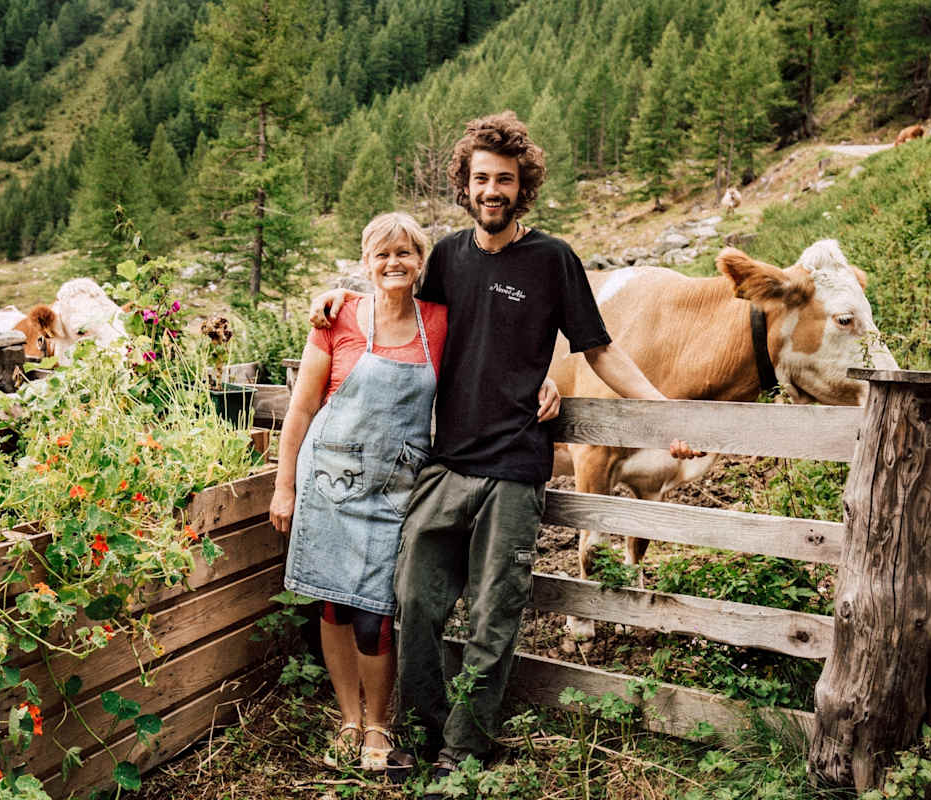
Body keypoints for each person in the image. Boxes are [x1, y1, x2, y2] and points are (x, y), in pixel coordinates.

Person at [310, 112, 696, 796]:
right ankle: (427, 729)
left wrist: (662, 410)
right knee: (414, 603)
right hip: (447, 464)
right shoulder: (449, 260)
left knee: (495, 615)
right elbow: (394, 307)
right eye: (481, 178)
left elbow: (599, 348)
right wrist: (336, 300)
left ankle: (464, 750)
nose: (493, 190)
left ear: (524, 188)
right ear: (465, 184)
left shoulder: (553, 260)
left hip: (517, 470)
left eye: (506, 180)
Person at [270, 211, 562, 773]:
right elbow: (303, 407)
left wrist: (540, 378)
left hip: (395, 490)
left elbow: (495, 359)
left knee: (376, 614)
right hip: (328, 482)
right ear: (365, 263)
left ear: (421, 261)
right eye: (382, 254)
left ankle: (378, 725)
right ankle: (347, 719)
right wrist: (285, 486)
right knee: (331, 607)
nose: (393, 263)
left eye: (405, 253)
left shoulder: (440, 321)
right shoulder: (337, 319)